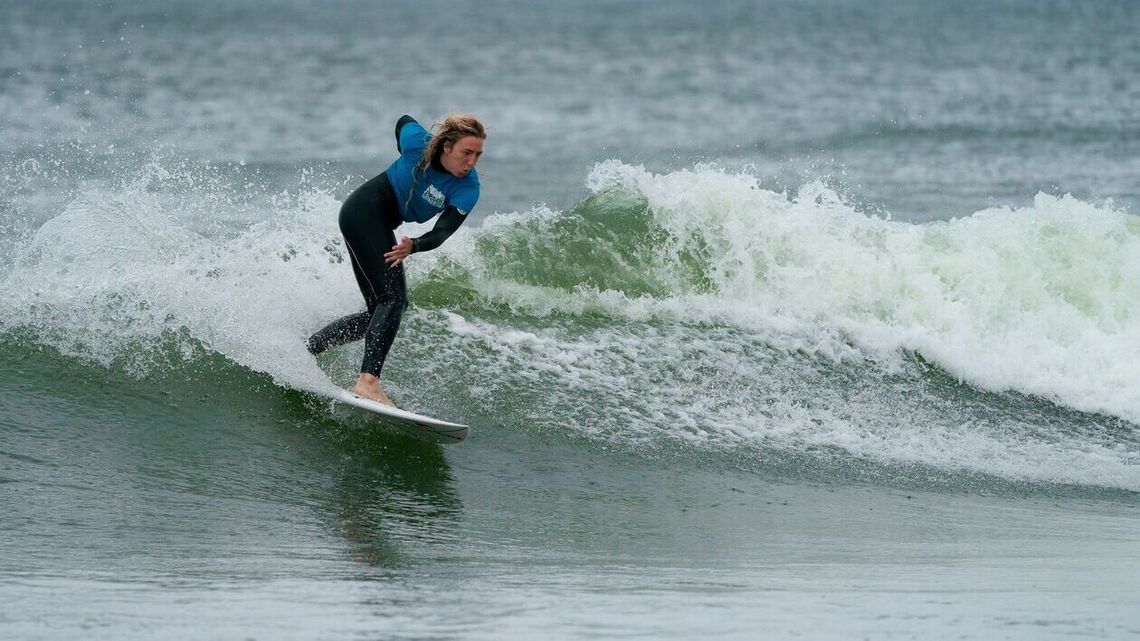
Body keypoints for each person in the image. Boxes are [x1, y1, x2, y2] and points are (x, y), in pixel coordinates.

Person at [307, 113, 486, 406]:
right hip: (364, 209)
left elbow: (442, 232)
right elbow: (403, 120)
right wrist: (404, 153)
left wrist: (414, 245)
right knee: (394, 300)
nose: (471, 162)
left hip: (375, 222)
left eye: (477, 155)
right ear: (446, 147)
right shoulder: (419, 145)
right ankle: (368, 383)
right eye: (466, 153)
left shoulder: (467, 188)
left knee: (379, 313)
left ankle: (309, 348)